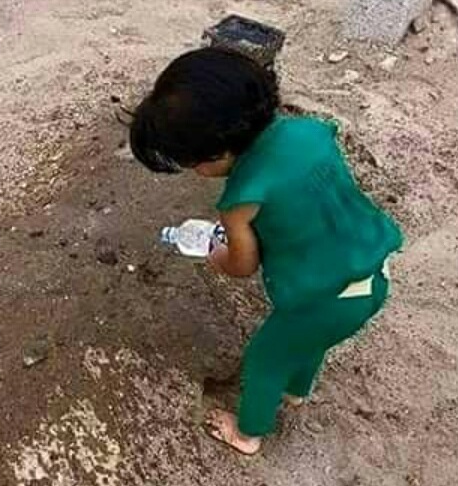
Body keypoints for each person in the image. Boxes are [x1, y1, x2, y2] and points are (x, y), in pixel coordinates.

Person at [129, 47, 403, 455]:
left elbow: (243, 264)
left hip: (322, 299)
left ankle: (247, 433)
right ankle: (297, 392)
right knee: (308, 342)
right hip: (373, 274)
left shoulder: (241, 199)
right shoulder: (311, 132)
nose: (195, 172)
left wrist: (216, 255)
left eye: (192, 163)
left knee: (265, 360)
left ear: (217, 150)